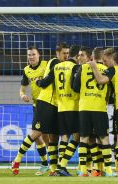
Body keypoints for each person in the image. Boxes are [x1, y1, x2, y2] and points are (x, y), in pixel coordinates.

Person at [36, 45, 81, 176]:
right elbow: (75, 86)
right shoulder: (75, 67)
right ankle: (62, 165)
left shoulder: (56, 67)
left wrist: (39, 82)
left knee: (64, 136)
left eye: (67, 53)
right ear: (77, 56)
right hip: (72, 105)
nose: (66, 55)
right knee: (77, 136)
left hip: (60, 106)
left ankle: (56, 167)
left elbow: (46, 83)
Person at [73, 47, 114, 177]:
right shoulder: (107, 70)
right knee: (103, 138)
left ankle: (83, 170)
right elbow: (111, 91)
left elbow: (75, 87)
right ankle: (107, 169)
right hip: (99, 107)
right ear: (103, 57)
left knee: (84, 138)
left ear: (92, 57)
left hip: (84, 106)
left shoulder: (83, 67)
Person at [12, 46, 49, 176]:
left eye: (33, 54)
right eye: (29, 55)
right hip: (36, 105)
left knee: (38, 133)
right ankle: (46, 164)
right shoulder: (26, 70)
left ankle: (17, 159)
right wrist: (22, 96)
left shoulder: (47, 65)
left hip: (48, 104)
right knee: (40, 136)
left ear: (39, 55)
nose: (31, 57)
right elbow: (22, 89)